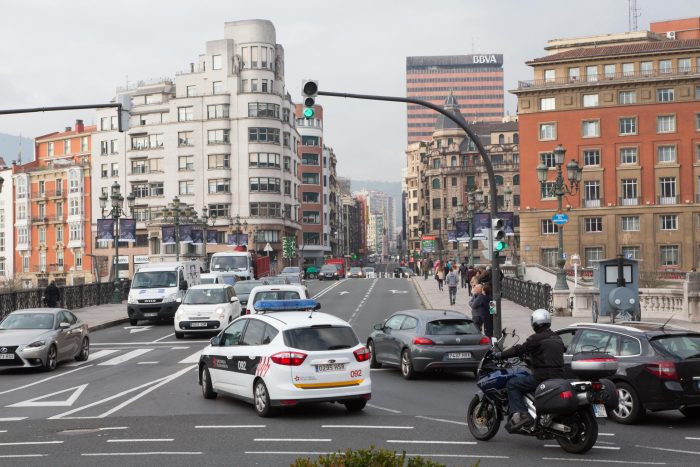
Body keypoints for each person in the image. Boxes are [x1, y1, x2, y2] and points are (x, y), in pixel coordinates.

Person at [492, 309, 566, 430]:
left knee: (512, 384)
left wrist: (500, 355)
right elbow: (547, 355)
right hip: (559, 376)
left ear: (535, 323)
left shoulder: (536, 338)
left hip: (543, 377)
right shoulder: (557, 338)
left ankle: (522, 414)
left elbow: (519, 349)